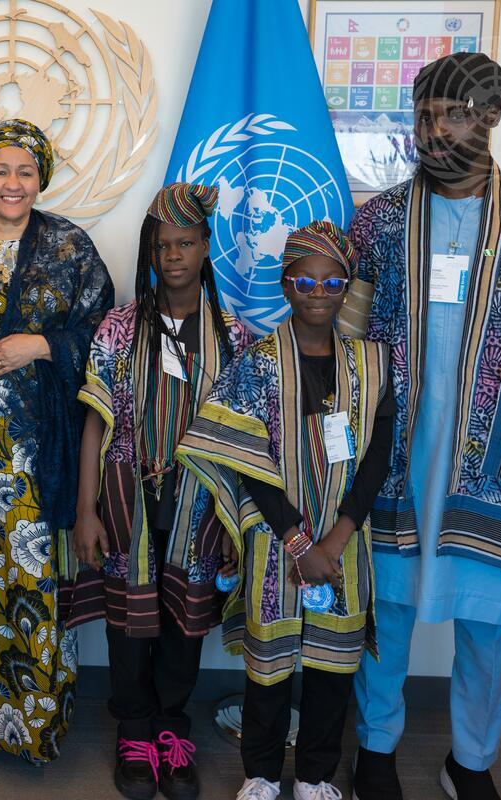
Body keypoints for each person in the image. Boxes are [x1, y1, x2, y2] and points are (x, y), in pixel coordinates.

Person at [342, 53, 501, 800]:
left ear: (489, 116)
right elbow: (351, 334)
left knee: (488, 623)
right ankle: (376, 751)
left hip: (499, 455)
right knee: (386, 612)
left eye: (452, 114)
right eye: (423, 114)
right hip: (399, 447)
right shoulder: (380, 220)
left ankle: (471, 761)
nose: (433, 130)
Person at [177, 222, 394, 800]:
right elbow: (245, 461)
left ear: (347, 288)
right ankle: (263, 774)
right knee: (268, 666)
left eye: (332, 282)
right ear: (285, 284)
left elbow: (377, 459)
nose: (318, 293)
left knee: (332, 669)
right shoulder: (257, 362)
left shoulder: (375, 365)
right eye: (304, 281)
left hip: (345, 543)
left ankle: (316, 777)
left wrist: (334, 541)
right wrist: (299, 543)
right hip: (277, 541)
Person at [66, 182, 252, 800]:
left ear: (205, 247)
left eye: (186, 243)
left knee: (184, 625)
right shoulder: (120, 328)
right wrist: (86, 509)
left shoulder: (234, 335)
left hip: (202, 506)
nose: (173, 255)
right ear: (150, 251)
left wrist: (237, 523)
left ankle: (173, 729)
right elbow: (95, 422)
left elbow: (246, 442)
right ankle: (134, 732)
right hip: (128, 501)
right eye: (163, 245)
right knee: (129, 625)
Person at [0, 118, 113, 764]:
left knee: (33, 583)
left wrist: (40, 345)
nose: (12, 183)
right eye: (0, 171)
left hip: (40, 451)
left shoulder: (69, 246)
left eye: (25, 171)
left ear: (42, 179)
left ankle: (35, 727)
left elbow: (107, 336)